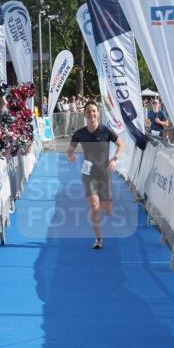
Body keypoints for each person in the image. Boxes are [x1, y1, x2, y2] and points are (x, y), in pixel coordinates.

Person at [66, 100, 125, 249]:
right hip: (88, 173)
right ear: (84, 114)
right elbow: (69, 150)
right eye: (88, 111)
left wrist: (114, 160)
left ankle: (102, 209)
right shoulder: (80, 133)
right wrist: (70, 156)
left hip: (104, 173)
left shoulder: (105, 131)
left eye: (94, 111)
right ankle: (98, 239)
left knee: (107, 210)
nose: (91, 114)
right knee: (94, 206)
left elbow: (121, 144)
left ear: (98, 113)